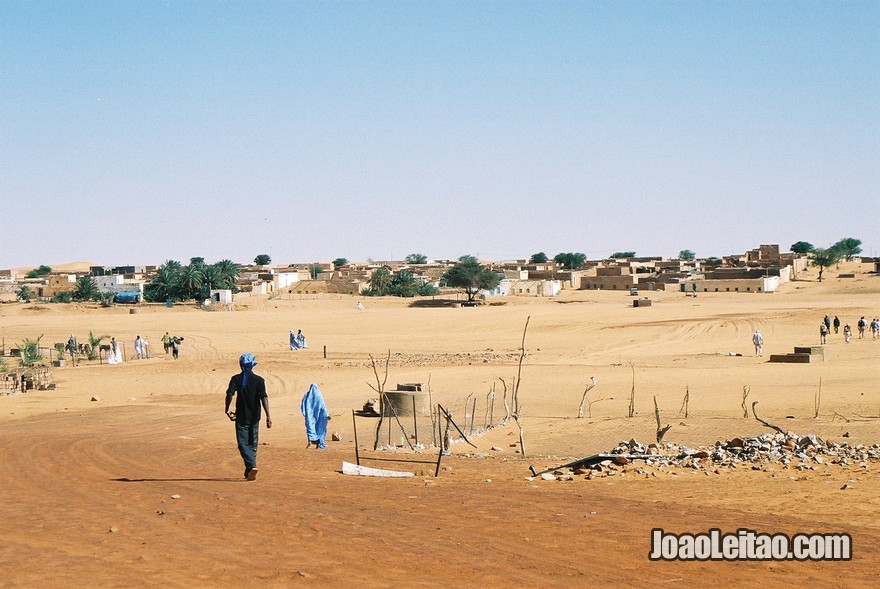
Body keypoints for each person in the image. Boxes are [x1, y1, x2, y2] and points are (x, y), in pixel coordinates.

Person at [225, 353, 271, 480]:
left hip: (242, 417)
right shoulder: (259, 380)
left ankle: (251, 465)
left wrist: (227, 409)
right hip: (255, 416)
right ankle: (249, 470)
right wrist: (268, 416)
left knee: (242, 444)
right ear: (252, 365)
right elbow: (264, 398)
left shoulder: (236, 379)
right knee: (252, 443)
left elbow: (230, 394)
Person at [301, 383, 329, 449]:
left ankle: (310, 442)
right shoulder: (319, 395)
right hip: (319, 417)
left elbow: (303, 404)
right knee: (318, 428)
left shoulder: (307, 395)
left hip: (310, 417)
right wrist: (327, 415)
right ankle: (317, 443)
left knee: (310, 428)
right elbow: (323, 406)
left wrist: (304, 413)